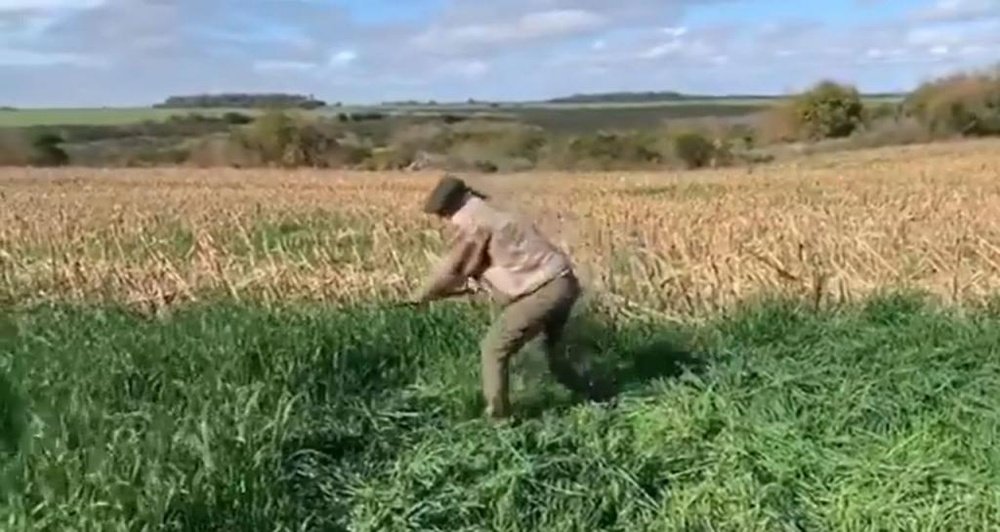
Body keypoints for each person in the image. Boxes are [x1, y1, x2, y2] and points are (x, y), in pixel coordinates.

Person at [411, 175, 614, 420]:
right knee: (552, 353)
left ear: (452, 207)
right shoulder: (492, 213)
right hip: (563, 283)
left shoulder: (475, 221)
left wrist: (422, 295)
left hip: (544, 290)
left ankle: (498, 420)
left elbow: (456, 269)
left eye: (443, 214)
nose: (445, 221)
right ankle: (600, 397)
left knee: (493, 348)